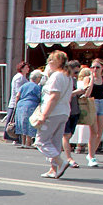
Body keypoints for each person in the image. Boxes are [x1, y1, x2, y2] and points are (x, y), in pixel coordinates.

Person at [30, 50, 74, 179]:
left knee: (41, 141)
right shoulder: (67, 76)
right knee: (54, 141)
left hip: (53, 113)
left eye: (51, 60)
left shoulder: (57, 76)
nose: (49, 62)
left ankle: (61, 163)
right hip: (64, 112)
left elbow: (54, 97)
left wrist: (44, 115)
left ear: (59, 61)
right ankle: (53, 169)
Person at [86, 59, 103, 166]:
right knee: (94, 131)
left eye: (97, 67)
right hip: (92, 103)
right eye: (93, 67)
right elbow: (87, 94)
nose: (95, 69)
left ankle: (91, 153)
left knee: (100, 132)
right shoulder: (88, 78)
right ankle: (91, 156)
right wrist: (91, 80)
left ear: (102, 68)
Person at [13, 70, 43, 149]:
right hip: (30, 105)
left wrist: (16, 105)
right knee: (29, 123)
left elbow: (17, 96)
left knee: (22, 123)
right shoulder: (36, 87)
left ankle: (23, 142)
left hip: (20, 105)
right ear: (37, 78)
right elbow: (40, 97)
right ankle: (28, 143)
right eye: (40, 77)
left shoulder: (24, 85)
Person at [5, 61, 30, 145]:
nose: (28, 69)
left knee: (17, 120)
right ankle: (12, 137)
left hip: (19, 102)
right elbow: (17, 90)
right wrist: (18, 100)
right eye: (26, 67)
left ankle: (15, 138)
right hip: (16, 102)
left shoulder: (23, 77)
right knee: (14, 121)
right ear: (21, 68)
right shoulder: (19, 77)